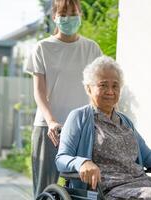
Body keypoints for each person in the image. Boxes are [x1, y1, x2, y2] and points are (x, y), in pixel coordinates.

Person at [55, 56, 151, 199]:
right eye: (103, 85)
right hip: (107, 190)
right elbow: (61, 158)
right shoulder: (79, 117)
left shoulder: (125, 121)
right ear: (88, 88)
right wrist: (82, 162)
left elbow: (147, 156)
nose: (110, 91)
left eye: (115, 86)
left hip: (141, 184)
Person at [25, 0, 102, 197]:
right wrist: (51, 121)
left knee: (83, 190)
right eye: (63, 14)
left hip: (82, 129)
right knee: (45, 189)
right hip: (49, 129)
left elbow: (98, 87)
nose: (69, 18)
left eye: (73, 13)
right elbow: (39, 92)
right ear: (54, 17)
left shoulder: (91, 48)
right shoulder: (42, 48)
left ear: (80, 15)